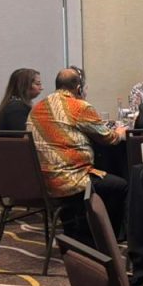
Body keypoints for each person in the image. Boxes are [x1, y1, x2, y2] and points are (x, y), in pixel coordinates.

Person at [27, 68, 128, 240]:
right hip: (71, 180)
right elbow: (108, 138)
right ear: (79, 88)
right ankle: (106, 238)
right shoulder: (79, 106)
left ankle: (77, 229)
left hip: (44, 180)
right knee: (120, 186)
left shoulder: (38, 107)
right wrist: (120, 132)